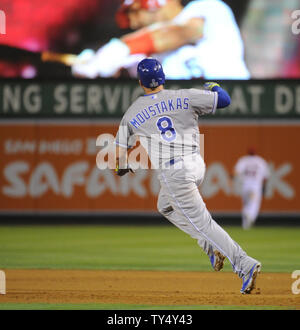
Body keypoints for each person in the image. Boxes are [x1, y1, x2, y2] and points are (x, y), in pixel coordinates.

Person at [114, 57, 261, 294]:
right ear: (162, 77)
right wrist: (213, 87)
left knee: (203, 223)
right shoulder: (184, 95)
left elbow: (117, 158)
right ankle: (211, 248)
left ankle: (245, 264)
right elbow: (224, 100)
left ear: (141, 83)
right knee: (165, 205)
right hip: (196, 163)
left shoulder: (133, 112)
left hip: (175, 173)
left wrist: (122, 166)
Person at [72, 0, 250, 80]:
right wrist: (97, 62)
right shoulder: (139, 51)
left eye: (134, 10)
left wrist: (121, 49)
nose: (133, 21)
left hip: (235, 109)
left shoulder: (210, 8)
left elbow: (179, 33)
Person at [233, 148, 270, 230]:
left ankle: (245, 226)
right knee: (254, 204)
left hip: (245, 185)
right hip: (255, 186)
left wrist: (239, 180)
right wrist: (264, 186)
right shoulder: (260, 161)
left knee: (246, 204)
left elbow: (236, 173)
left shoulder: (243, 160)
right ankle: (249, 215)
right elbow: (266, 176)